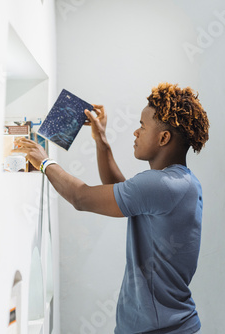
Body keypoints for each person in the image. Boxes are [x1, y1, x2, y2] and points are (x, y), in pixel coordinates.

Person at [13, 82, 210, 334]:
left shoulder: (163, 185)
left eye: (142, 126)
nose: (135, 133)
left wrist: (44, 162)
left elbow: (81, 198)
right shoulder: (180, 182)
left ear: (163, 138)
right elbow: (121, 192)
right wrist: (101, 139)